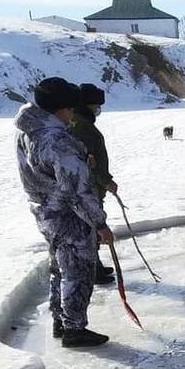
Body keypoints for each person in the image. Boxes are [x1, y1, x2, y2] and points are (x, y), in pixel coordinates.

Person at [15, 77, 114, 347]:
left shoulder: (29, 129)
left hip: (44, 210)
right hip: (67, 214)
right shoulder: (57, 140)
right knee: (78, 270)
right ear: (61, 108)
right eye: (70, 109)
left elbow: (44, 167)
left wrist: (79, 158)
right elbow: (77, 191)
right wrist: (100, 224)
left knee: (59, 267)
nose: (72, 115)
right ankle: (74, 328)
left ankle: (61, 321)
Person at [69, 83, 116, 285]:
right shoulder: (82, 126)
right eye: (96, 105)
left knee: (91, 228)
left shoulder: (81, 122)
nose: (98, 109)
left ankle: (95, 266)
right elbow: (89, 161)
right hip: (88, 188)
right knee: (91, 227)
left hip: (91, 187)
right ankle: (92, 270)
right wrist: (106, 181)